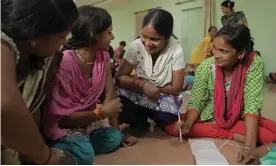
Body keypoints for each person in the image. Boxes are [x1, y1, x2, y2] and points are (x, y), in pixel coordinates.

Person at [42, 6, 137, 165]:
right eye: (108, 32)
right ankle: (65, 145)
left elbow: (110, 96)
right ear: (93, 35)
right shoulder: (64, 62)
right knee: (86, 155)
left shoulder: (103, 56)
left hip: (88, 121)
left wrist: (117, 131)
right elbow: (61, 118)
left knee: (113, 138)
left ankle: (79, 143)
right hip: (65, 124)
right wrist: (100, 113)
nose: (112, 37)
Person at [168, 23, 276, 159]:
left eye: (223, 51)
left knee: (272, 134)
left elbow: (252, 105)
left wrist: (249, 147)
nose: (216, 55)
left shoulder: (253, 63)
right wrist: (188, 125)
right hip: (211, 115)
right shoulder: (206, 67)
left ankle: (231, 132)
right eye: (215, 48)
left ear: (241, 53)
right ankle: (231, 133)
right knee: (172, 126)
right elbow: (196, 101)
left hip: (240, 116)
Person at [1, 0, 78, 164]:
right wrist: (46, 156)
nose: (65, 42)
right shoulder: (3, 43)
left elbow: (32, 111)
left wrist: (33, 154)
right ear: (35, 35)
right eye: (62, 36)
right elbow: (5, 106)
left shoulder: (45, 60)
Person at [115, 9, 185, 135]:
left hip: (162, 96)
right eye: (144, 36)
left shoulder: (176, 50)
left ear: (167, 37)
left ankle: (154, 117)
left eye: (154, 39)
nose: (147, 43)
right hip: (140, 93)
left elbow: (176, 87)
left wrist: (154, 88)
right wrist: (143, 85)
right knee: (120, 96)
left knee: (167, 117)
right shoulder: (135, 46)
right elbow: (119, 78)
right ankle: (139, 120)